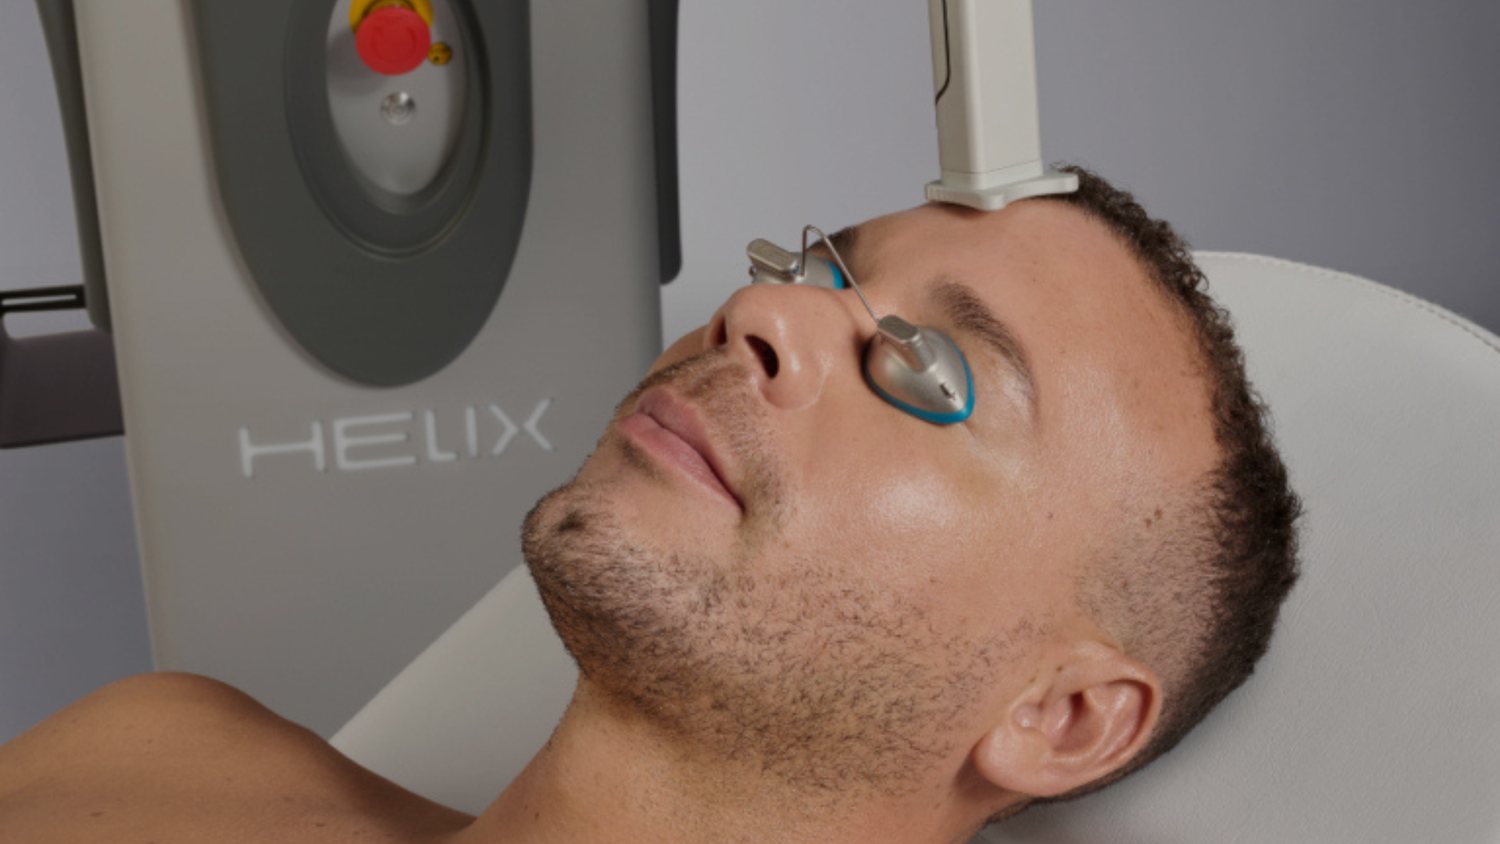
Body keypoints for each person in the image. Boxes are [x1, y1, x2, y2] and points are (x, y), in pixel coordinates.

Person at [0, 165, 1299, 844]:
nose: (762, 311)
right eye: (815, 271)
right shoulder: (156, 746)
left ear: (1059, 718)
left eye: (928, 369)